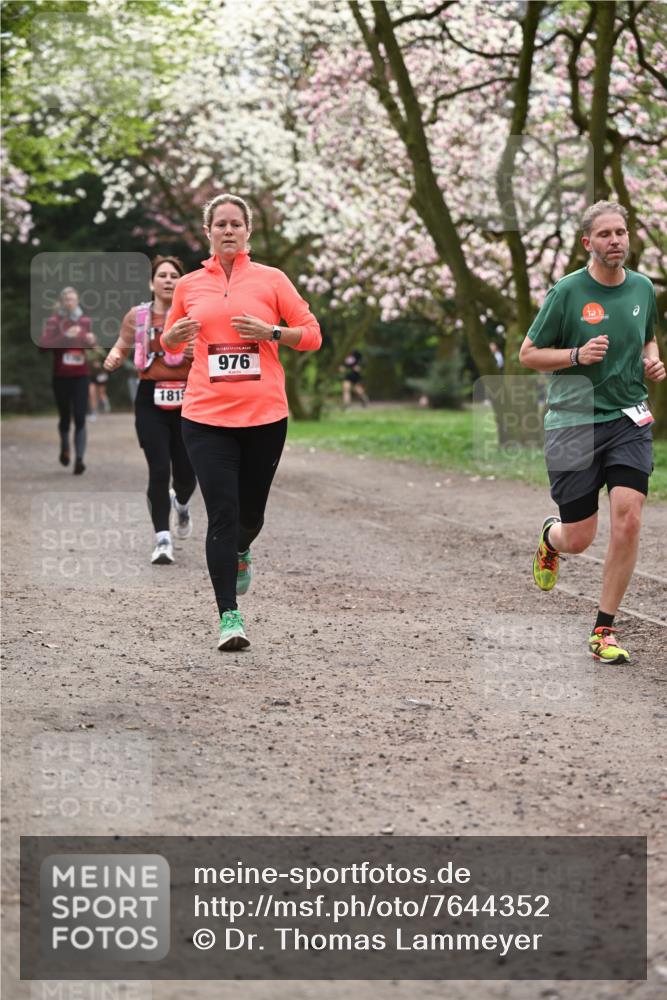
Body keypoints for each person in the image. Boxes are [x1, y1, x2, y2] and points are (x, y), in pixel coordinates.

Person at [161, 193, 321, 651]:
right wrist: (172, 337)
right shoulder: (190, 285)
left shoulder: (272, 280)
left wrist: (272, 332)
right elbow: (172, 342)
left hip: (264, 417)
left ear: (248, 231)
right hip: (205, 416)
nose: (228, 231)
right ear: (207, 232)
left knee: (250, 515)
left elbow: (312, 335)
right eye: (219, 224)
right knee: (223, 514)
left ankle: (242, 550)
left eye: (236, 224)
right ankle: (229, 616)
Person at [519, 200, 665, 664]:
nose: (616, 240)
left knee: (629, 516)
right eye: (605, 234)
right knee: (579, 537)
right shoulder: (567, 292)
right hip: (573, 417)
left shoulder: (643, 287)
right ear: (588, 243)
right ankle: (551, 538)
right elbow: (528, 354)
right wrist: (576, 356)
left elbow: (645, 335)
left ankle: (604, 628)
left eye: (621, 232)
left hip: (627, 417)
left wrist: (652, 360)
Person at [104, 256, 197, 565]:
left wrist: (197, 351)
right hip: (151, 398)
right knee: (158, 469)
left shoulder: (194, 314)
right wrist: (115, 356)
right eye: (162, 275)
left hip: (190, 398)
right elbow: (122, 343)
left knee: (186, 473)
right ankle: (162, 539)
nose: (168, 280)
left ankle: (181, 504)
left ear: (182, 282)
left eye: (174, 275)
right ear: (151, 282)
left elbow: (213, 346)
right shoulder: (137, 316)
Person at [40, 286, 95, 474]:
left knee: (80, 416)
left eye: (73, 299)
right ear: (62, 302)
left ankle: (79, 459)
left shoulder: (85, 321)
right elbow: (43, 347)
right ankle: (65, 448)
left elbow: (89, 347)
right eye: (67, 299)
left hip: (81, 376)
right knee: (65, 416)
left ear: (77, 301)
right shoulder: (54, 322)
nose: (70, 302)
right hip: (61, 377)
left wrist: (91, 342)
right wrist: (65, 336)